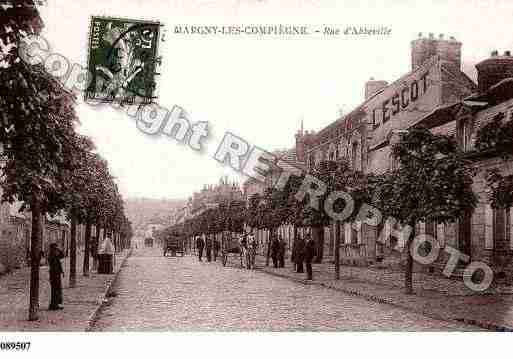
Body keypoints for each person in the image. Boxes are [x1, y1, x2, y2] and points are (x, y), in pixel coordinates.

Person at [48, 243, 64, 310]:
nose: (56, 250)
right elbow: (54, 266)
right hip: (54, 275)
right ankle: (54, 305)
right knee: (55, 290)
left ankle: (55, 304)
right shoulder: (51, 256)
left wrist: (59, 250)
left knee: (57, 290)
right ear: (53, 249)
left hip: (56, 274)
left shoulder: (55, 255)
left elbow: (62, 255)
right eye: (55, 248)